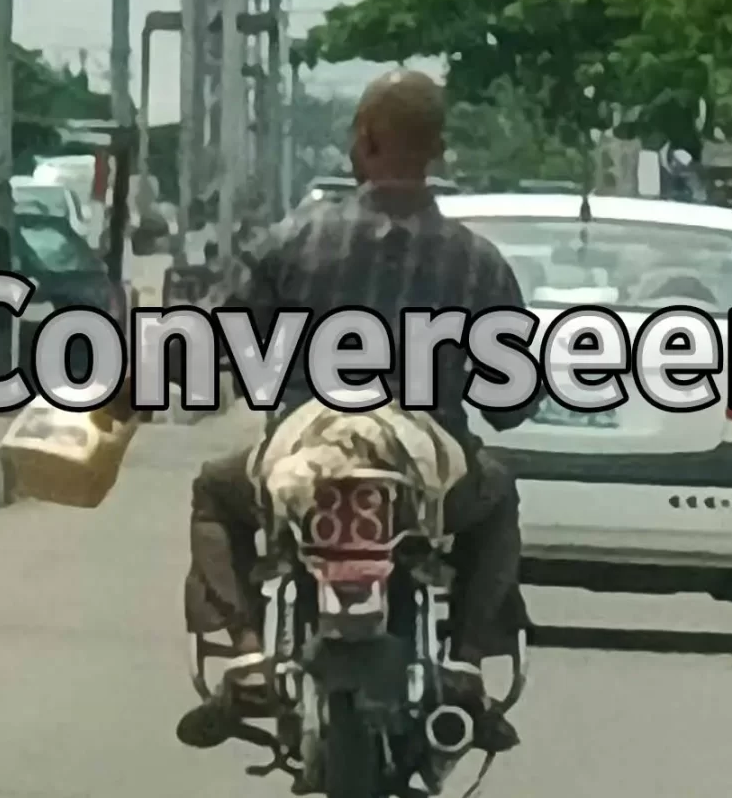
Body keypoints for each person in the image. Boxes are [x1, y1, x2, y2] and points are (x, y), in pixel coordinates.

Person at [175, 69, 538, 754]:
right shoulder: (479, 265)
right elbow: (513, 401)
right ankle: (462, 663)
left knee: (213, 493)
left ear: (365, 142)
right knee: (498, 497)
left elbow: (216, 342)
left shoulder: (293, 242)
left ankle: (251, 651)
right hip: (429, 472)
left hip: (303, 461)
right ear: (436, 150)